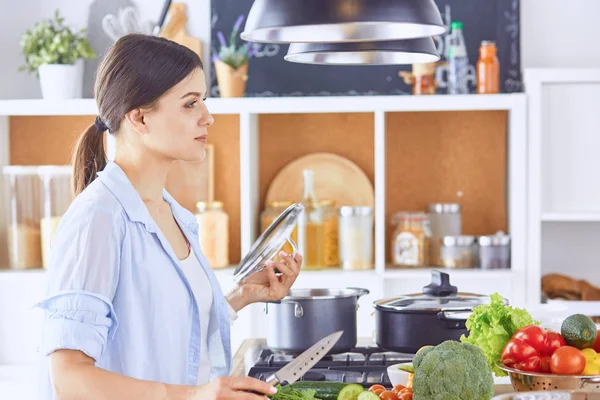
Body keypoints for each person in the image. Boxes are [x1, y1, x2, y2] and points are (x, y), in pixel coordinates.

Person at [35, 33, 302, 400]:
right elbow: (69, 378)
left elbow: (163, 334)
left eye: (204, 101)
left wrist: (243, 294)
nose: (208, 117)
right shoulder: (98, 219)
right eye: (190, 104)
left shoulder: (172, 212)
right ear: (140, 118)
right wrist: (196, 396)